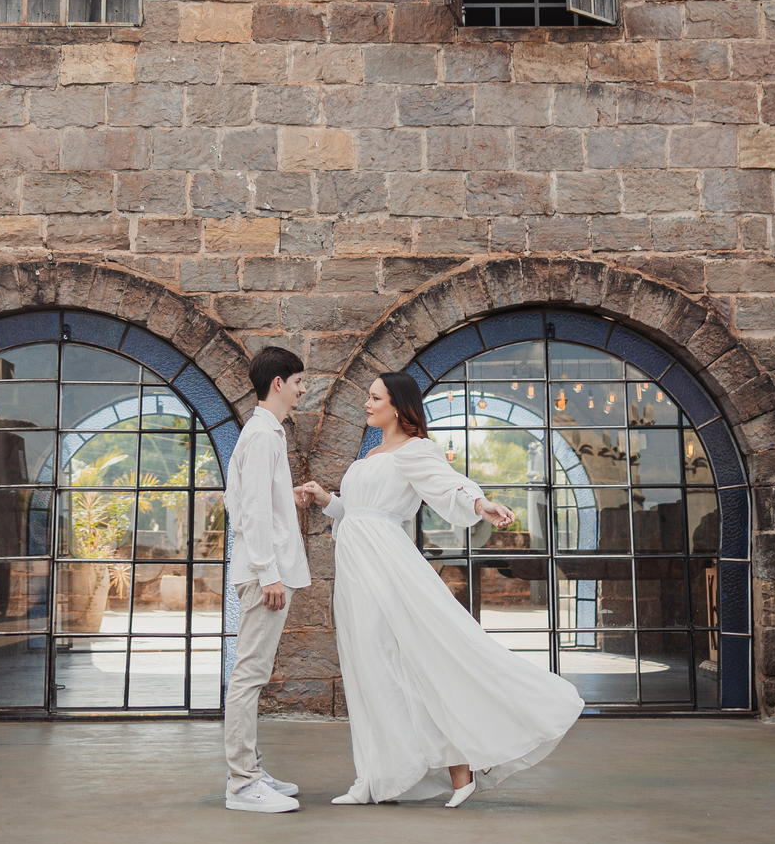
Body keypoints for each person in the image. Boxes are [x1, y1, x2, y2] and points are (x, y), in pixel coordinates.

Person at [299, 371, 584, 808]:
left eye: (375, 398)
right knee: (369, 666)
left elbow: (447, 484)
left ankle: (455, 764)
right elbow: (355, 513)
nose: (367, 405)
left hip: (386, 566)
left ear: (397, 405)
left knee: (411, 658)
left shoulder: (415, 451)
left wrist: (480, 503)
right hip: (356, 567)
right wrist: (326, 500)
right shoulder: (370, 455)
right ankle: (380, 776)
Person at [222, 345, 310, 814]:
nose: (301, 390)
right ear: (278, 382)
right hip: (264, 576)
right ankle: (242, 783)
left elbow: (249, 498)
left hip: (265, 572)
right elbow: (250, 511)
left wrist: (287, 495)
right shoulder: (261, 435)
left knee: (253, 672)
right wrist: (269, 573)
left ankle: (251, 767)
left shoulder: (264, 433)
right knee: (250, 675)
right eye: (298, 382)